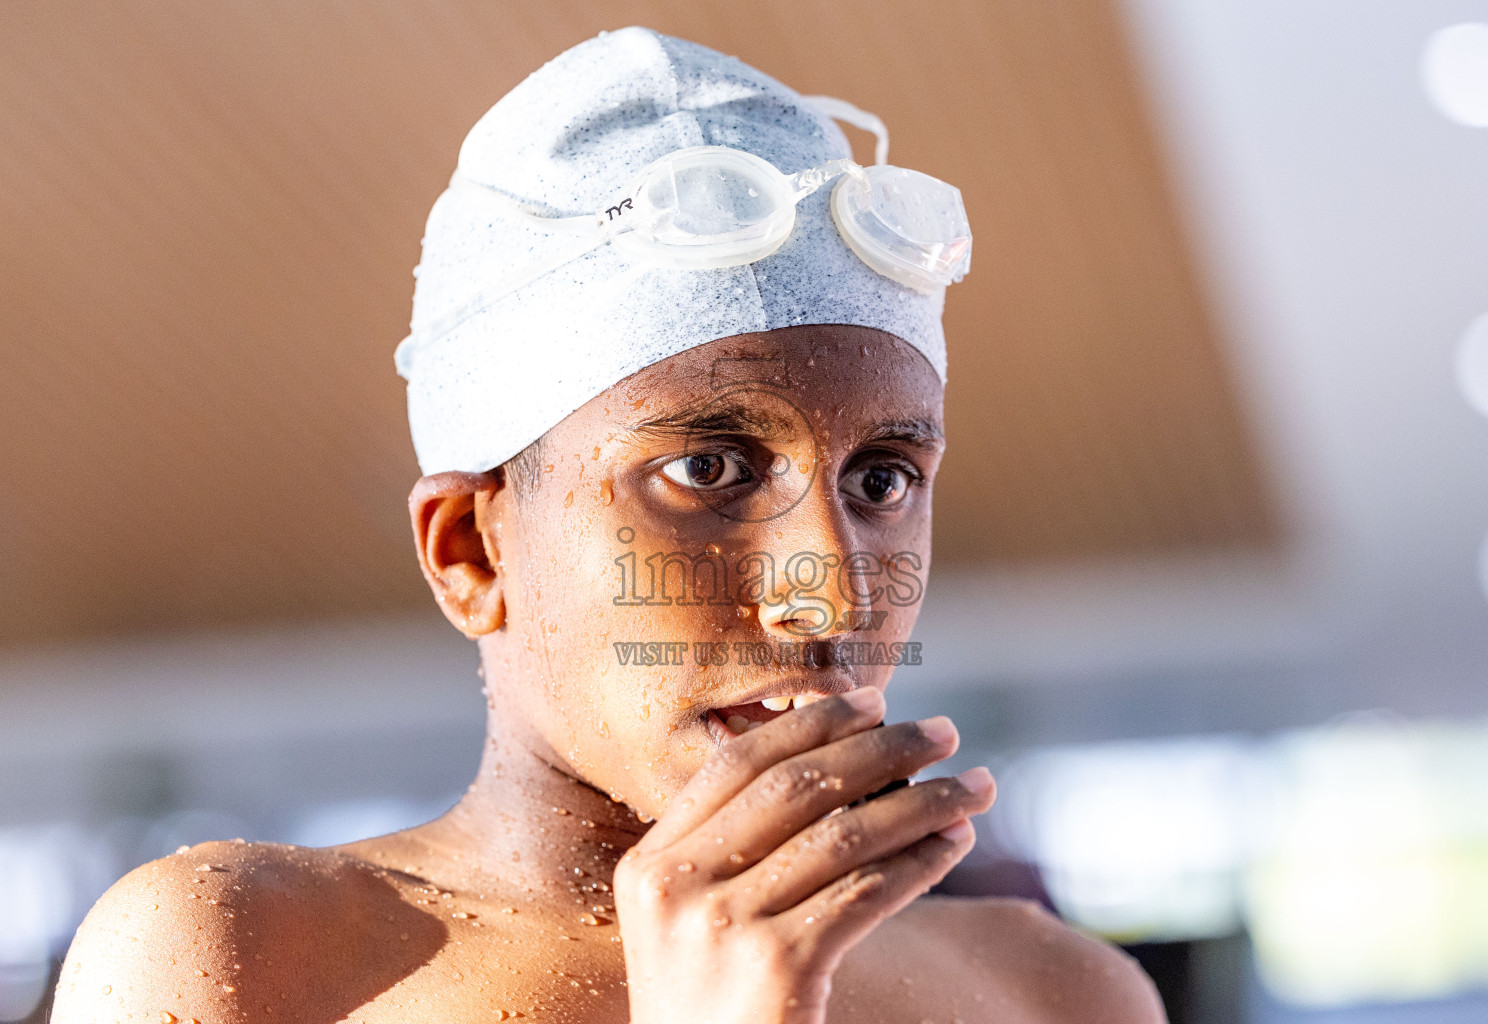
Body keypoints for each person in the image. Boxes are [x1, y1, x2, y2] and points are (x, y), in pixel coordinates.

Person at [52, 28, 1165, 1024]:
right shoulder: (245, 961)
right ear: (473, 550)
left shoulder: (1056, 994)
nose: (832, 591)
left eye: (880, 479)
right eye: (708, 468)